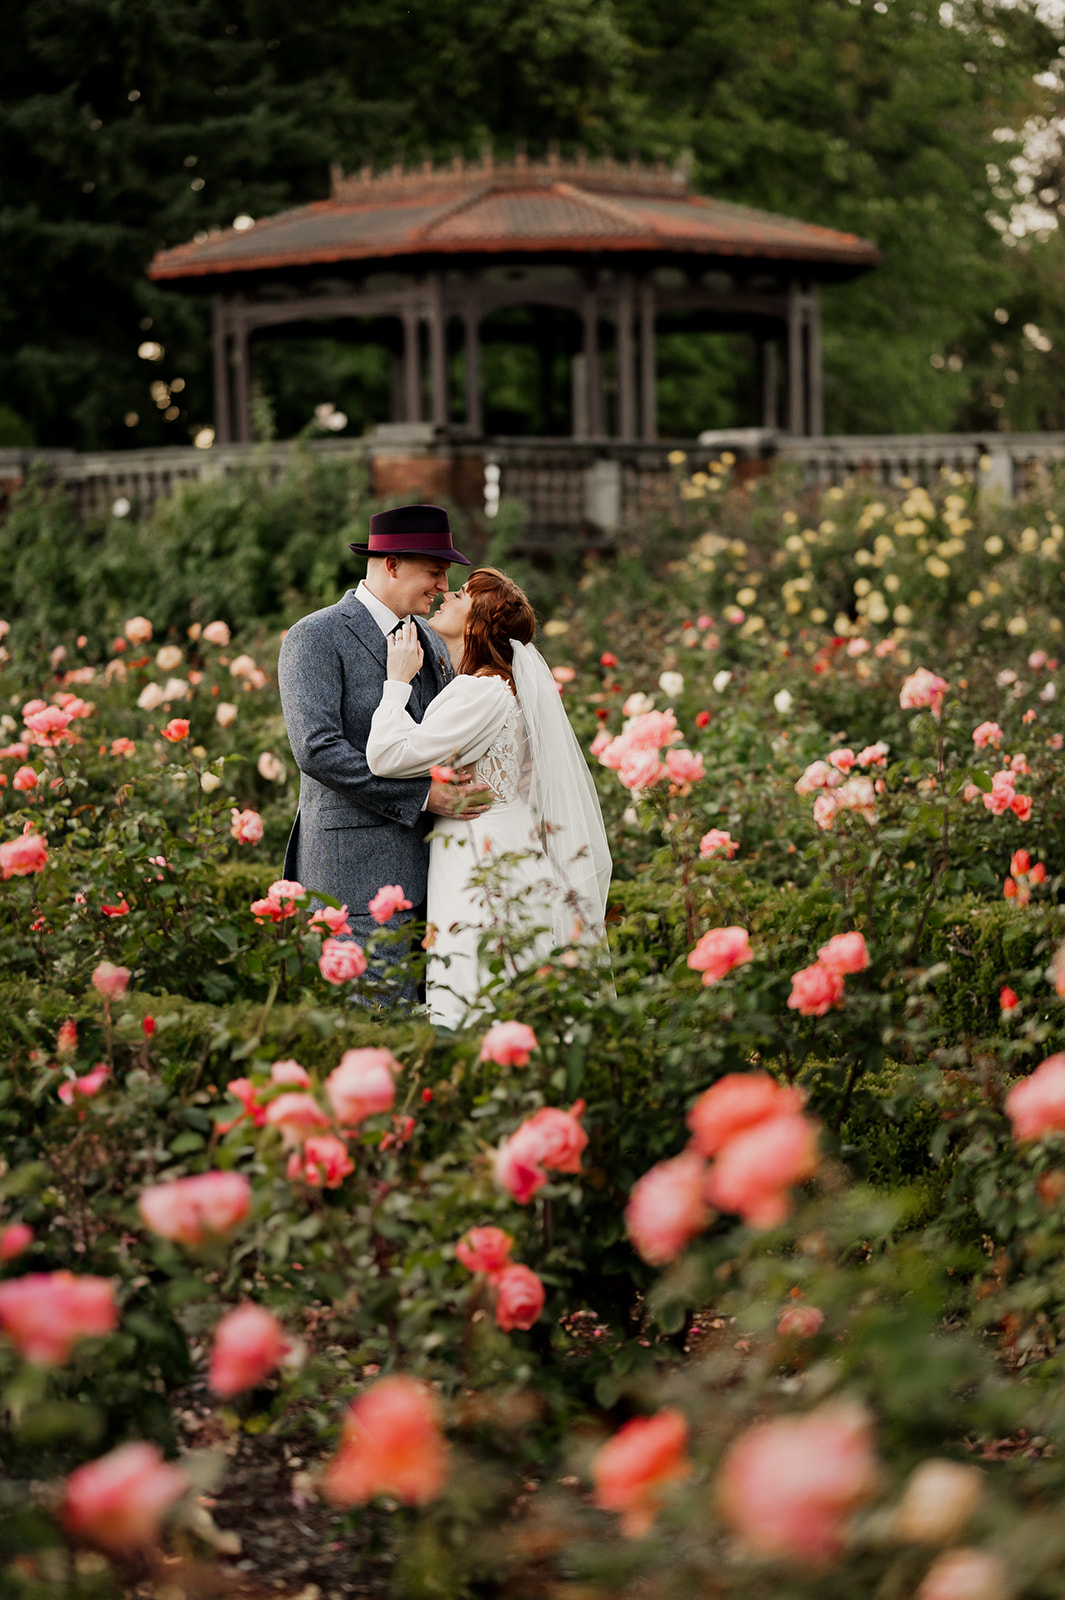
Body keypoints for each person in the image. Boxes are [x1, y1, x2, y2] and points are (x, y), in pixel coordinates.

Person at [365, 567, 612, 1027]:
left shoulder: (482, 692)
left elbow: (386, 757)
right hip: (495, 840)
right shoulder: (491, 687)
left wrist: (397, 681)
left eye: (459, 593)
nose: (446, 595)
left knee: (476, 981)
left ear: (476, 621)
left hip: (480, 854)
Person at [277, 505, 491, 980]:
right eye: (434, 572)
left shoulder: (430, 641)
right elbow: (316, 748)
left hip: (435, 876)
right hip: (353, 876)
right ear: (392, 564)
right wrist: (423, 796)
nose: (441, 586)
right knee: (372, 1023)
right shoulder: (315, 636)